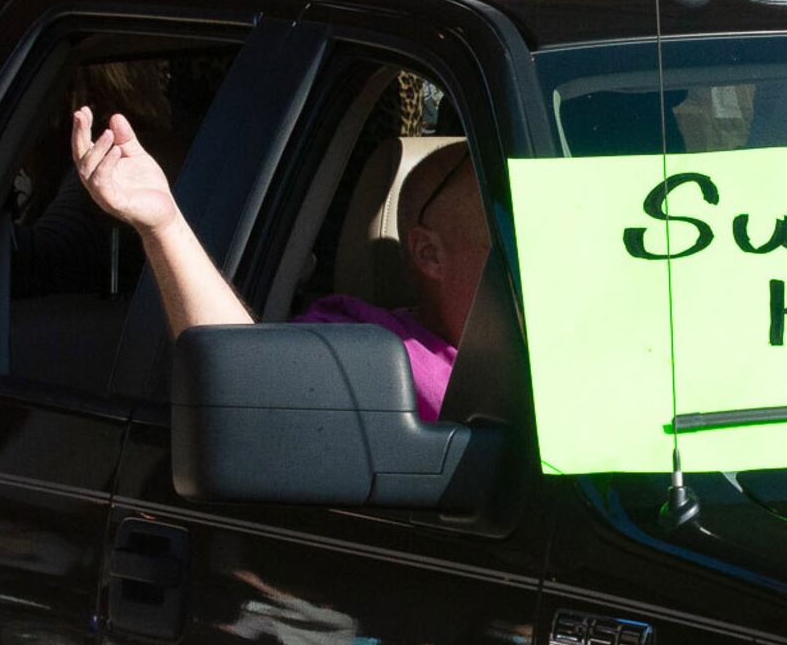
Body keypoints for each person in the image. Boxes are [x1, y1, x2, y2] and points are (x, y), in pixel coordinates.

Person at [67, 109, 489, 420]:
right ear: (430, 253)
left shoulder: (552, 351)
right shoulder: (375, 356)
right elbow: (245, 382)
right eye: (507, 233)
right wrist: (165, 226)